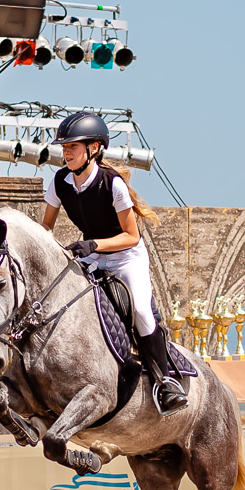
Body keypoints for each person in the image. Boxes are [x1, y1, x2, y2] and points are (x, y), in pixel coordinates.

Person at [40, 111, 187, 414]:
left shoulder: (113, 184)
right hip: (92, 256)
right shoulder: (59, 182)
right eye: (64, 148)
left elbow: (131, 236)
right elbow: (46, 229)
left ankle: (166, 381)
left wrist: (93, 244)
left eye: (72, 147)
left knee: (143, 311)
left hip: (125, 257)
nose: (66, 153)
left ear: (93, 148)